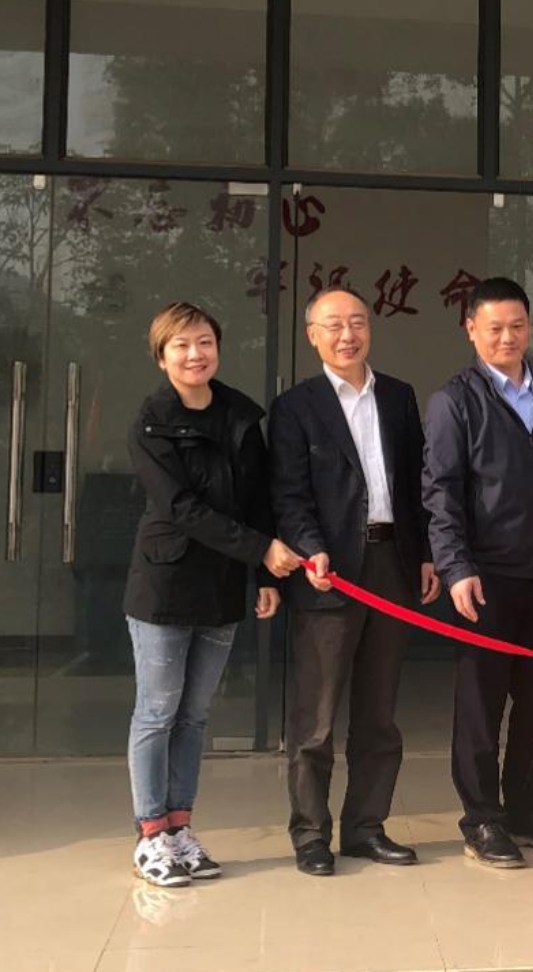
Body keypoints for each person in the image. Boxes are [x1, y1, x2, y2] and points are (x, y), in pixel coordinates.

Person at [124, 302, 302, 887]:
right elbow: (181, 509)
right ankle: (150, 836)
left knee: (195, 716)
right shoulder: (151, 421)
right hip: (166, 585)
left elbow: (259, 502)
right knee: (157, 712)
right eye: (181, 345)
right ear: (161, 355)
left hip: (224, 587)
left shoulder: (241, 416)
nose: (195, 354)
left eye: (203, 341)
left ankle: (180, 829)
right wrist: (259, 551)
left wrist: (268, 577)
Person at [423, 276, 533, 869]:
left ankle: (529, 809)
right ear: (471, 329)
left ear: (530, 327)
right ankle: (483, 819)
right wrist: (455, 568)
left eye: (516, 326)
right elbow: (440, 493)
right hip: (484, 580)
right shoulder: (454, 402)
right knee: (481, 704)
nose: (507, 337)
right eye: (493, 327)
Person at [268, 287, 440, 877]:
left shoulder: (397, 397)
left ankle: (366, 827)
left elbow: (417, 485)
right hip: (329, 574)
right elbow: (288, 496)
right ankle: (311, 834)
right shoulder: (295, 408)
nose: (348, 335)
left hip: (392, 564)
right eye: (334, 325)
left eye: (358, 323)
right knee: (315, 720)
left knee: (379, 712)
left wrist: (424, 555)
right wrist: (311, 549)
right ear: (312, 335)